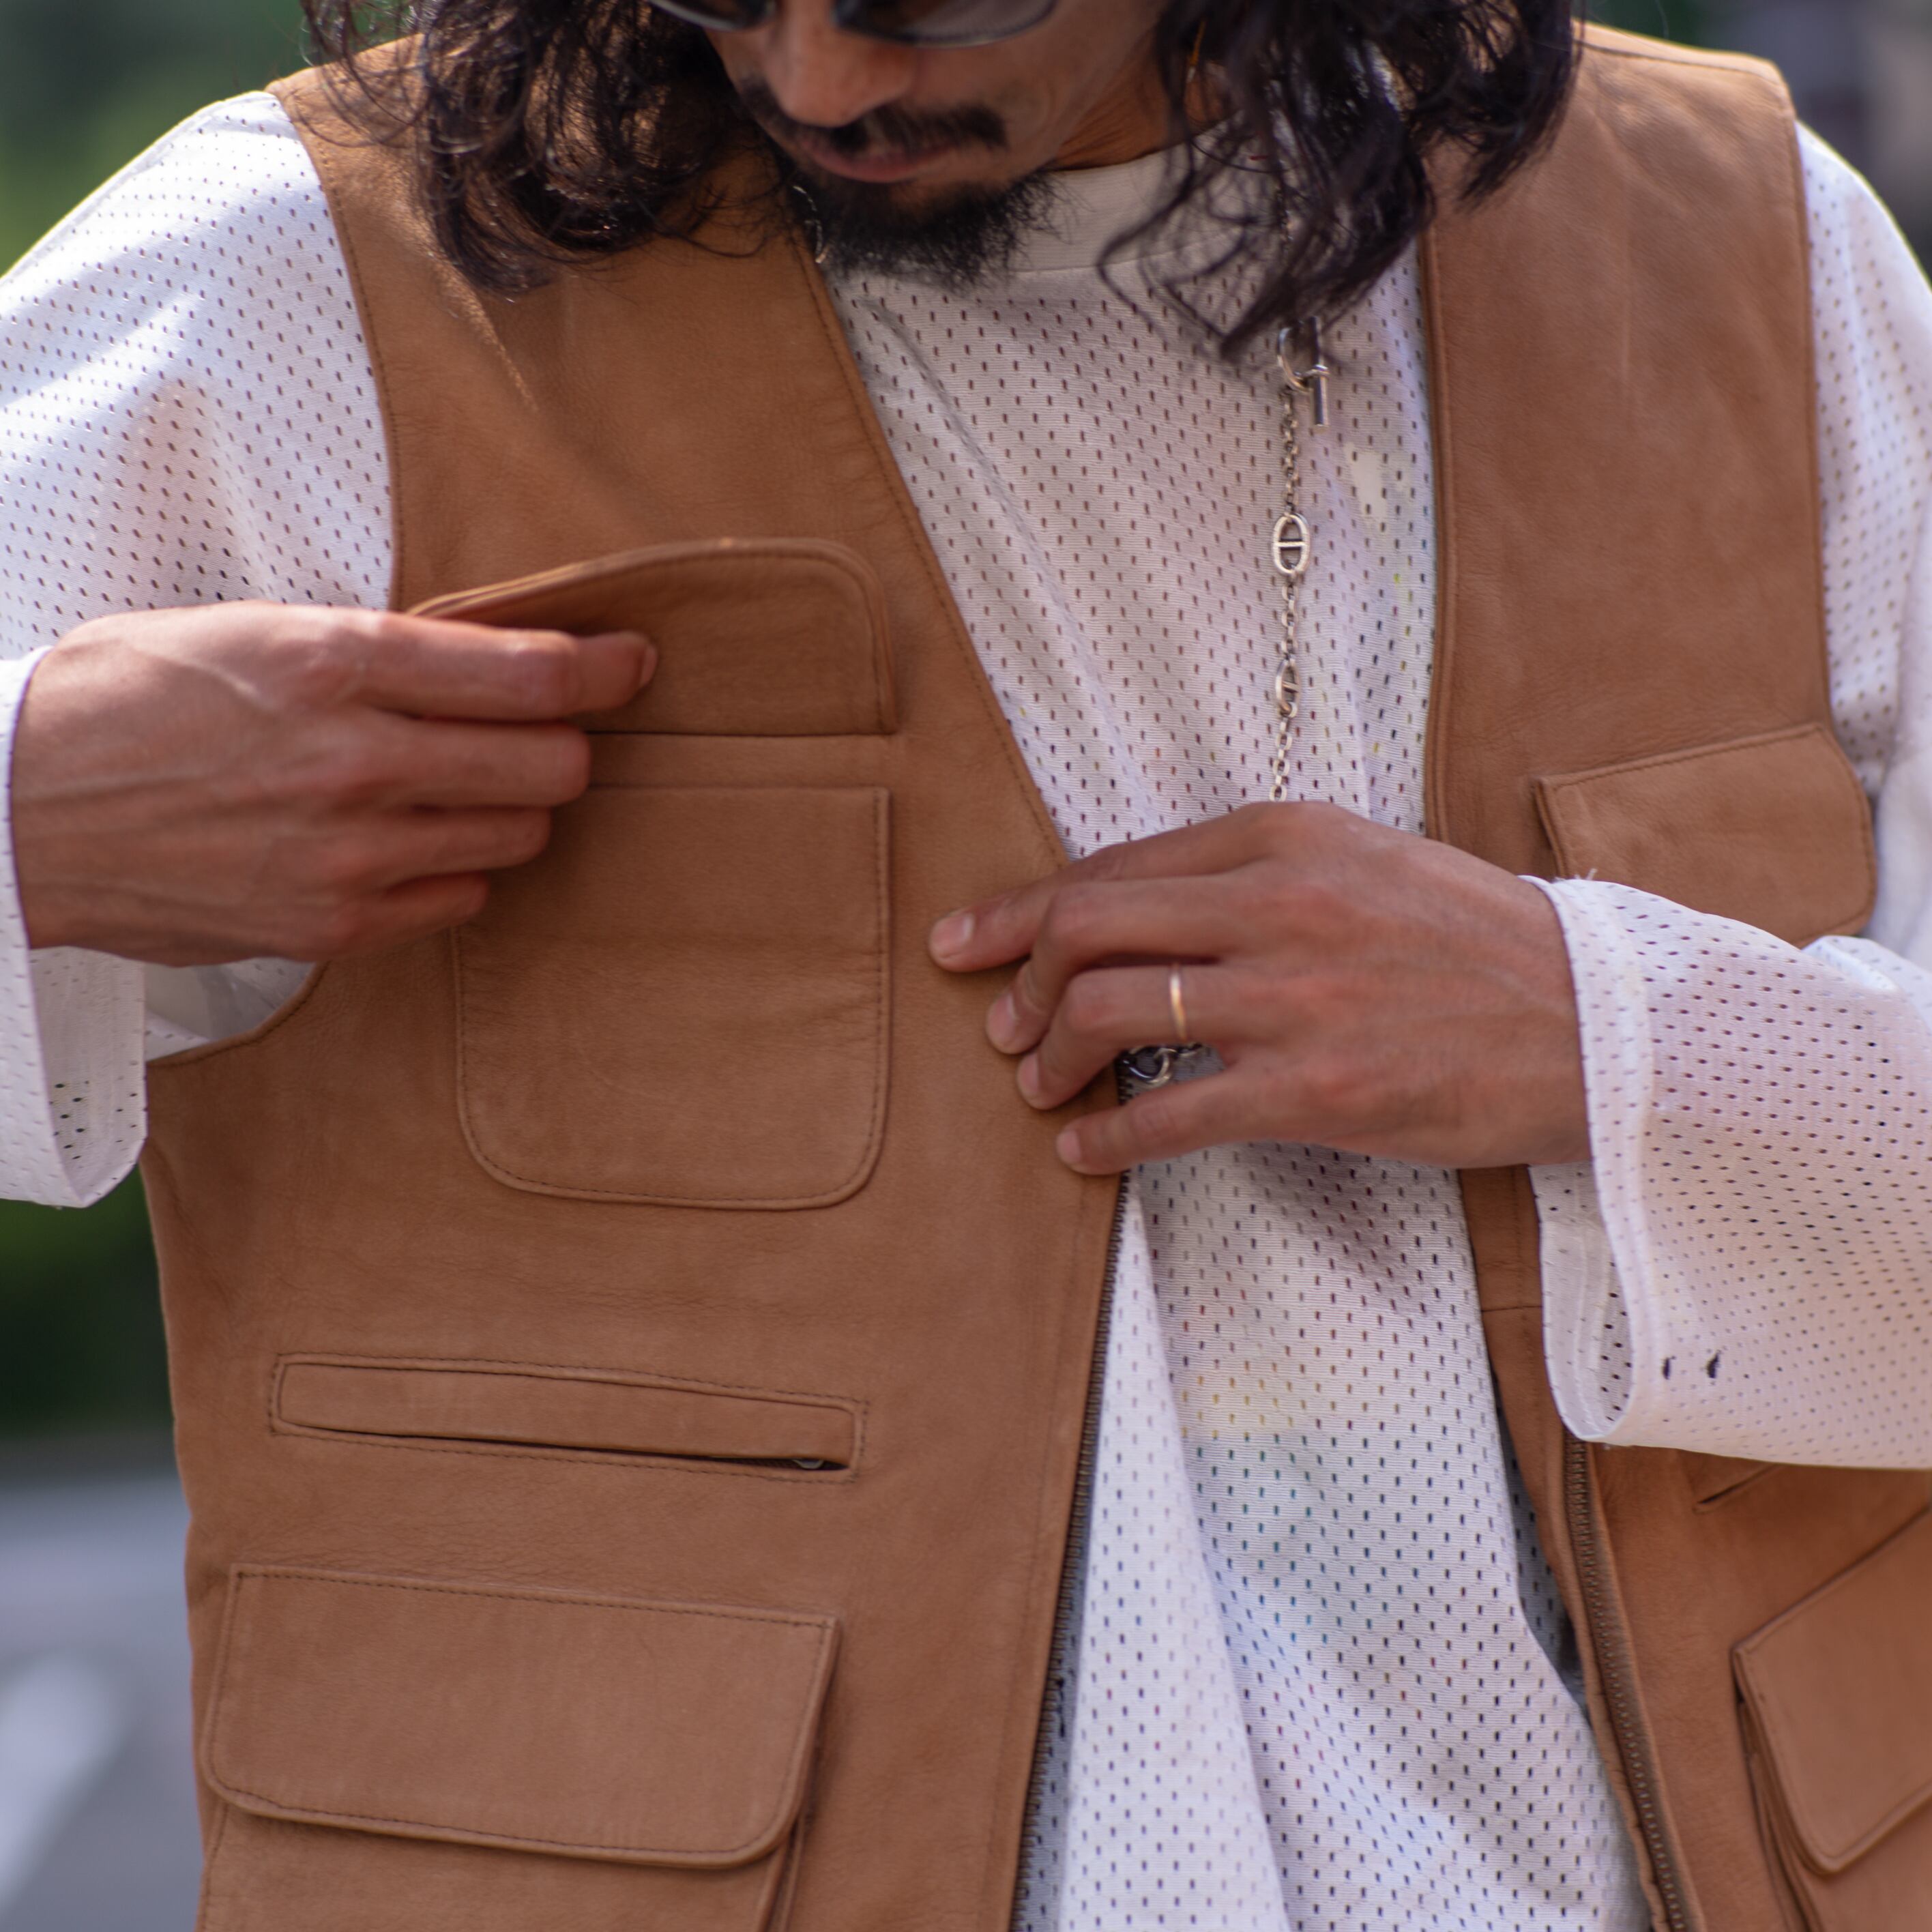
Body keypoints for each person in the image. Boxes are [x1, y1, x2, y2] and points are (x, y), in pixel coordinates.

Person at [0, 2, 1929, 1929]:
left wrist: (1617, 1038)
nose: (822, 79)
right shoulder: (305, 281)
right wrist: (30, 812)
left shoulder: (1742, 251)